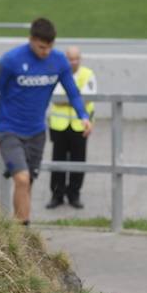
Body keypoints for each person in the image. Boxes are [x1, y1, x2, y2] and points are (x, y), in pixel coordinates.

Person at [0, 18, 92, 224]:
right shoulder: (11, 60)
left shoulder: (58, 61)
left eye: (50, 47)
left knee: (27, 182)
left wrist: (83, 116)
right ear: (31, 39)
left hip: (37, 133)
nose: (46, 52)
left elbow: (73, 93)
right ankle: (24, 232)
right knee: (21, 179)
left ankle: (18, 228)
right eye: (41, 47)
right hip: (9, 130)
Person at [46, 46, 97, 209]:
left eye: (76, 58)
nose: (73, 62)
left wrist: (68, 97)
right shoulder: (57, 73)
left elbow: (88, 98)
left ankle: (74, 195)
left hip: (80, 125)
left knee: (78, 161)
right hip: (59, 125)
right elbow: (55, 98)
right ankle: (57, 195)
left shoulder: (87, 74)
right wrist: (75, 97)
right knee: (58, 161)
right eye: (70, 59)